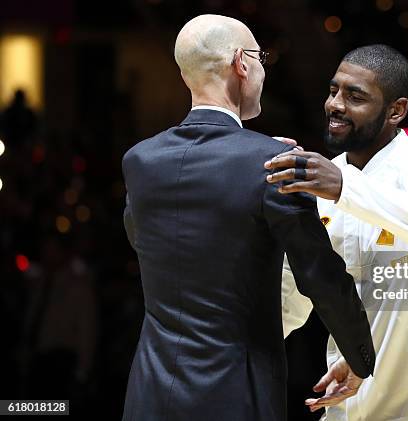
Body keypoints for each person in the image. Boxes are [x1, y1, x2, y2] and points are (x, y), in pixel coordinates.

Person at [121, 15, 375, 421]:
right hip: (237, 396)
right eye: (261, 58)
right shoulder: (273, 165)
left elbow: (151, 239)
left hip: (149, 396)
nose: (262, 68)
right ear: (241, 63)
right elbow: (320, 276)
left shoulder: (140, 161)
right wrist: (362, 359)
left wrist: (251, 167)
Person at [268, 45, 408, 420]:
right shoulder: (323, 181)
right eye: (333, 91)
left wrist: (345, 188)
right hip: (348, 400)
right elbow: (291, 299)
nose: (335, 105)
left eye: (355, 96)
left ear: (395, 111)